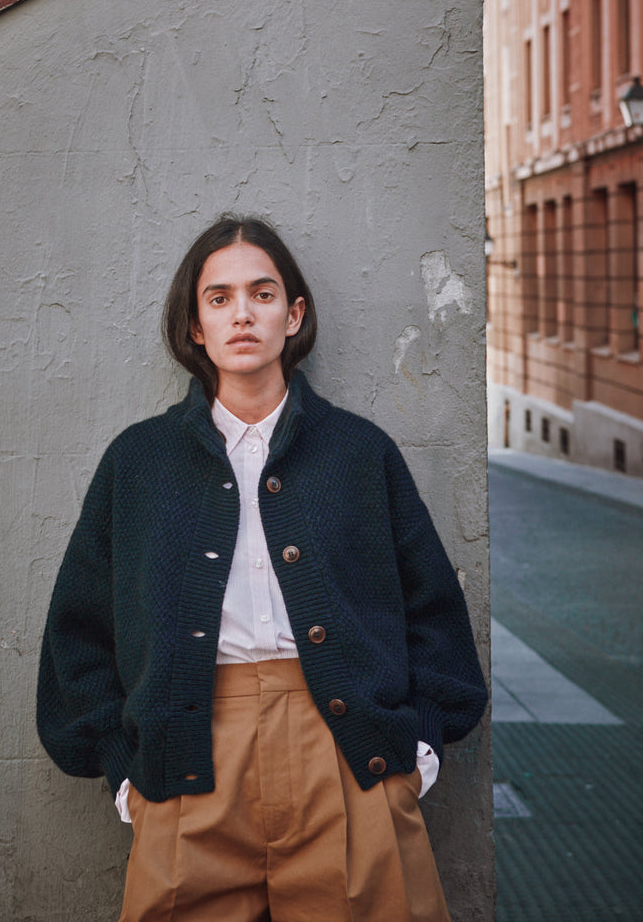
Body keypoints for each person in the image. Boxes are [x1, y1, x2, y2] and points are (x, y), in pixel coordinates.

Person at [37, 215, 487, 922]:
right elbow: (80, 628)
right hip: (187, 760)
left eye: (262, 293)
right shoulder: (139, 462)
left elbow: (431, 611)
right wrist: (124, 771)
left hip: (346, 758)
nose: (241, 313)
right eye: (218, 298)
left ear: (293, 314)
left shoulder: (359, 454)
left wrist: (419, 750)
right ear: (195, 326)